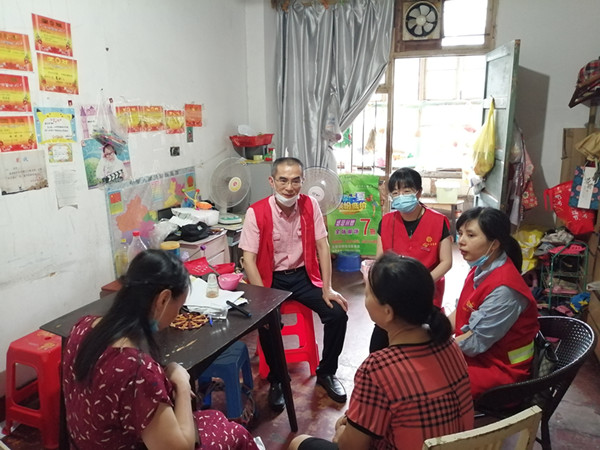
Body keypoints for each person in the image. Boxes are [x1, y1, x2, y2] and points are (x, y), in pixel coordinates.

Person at [62, 249, 259, 450]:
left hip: (86, 443)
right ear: (163, 299)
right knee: (235, 433)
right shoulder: (137, 371)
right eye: (179, 307)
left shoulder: (82, 327)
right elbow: (181, 448)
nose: (176, 315)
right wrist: (182, 384)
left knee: (215, 417)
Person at [288, 253, 474, 450]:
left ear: (388, 312)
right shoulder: (449, 344)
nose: (365, 299)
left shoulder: (377, 368)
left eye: (368, 294)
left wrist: (342, 433)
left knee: (298, 443)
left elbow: (351, 447)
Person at [239, 157, 349, 411]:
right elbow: (249, 260)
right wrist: (263, 298)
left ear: (303, 181)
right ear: (272, 181)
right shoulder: (256, 212)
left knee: (337, 313)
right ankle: (278, 379)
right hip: (271, 279)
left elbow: (323, 246)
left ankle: (326, 372)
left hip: (304, 275)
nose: (289, 187)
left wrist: (328, 287)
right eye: (283, 180)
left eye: (296, 181)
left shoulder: (310, 205)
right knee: (269, 321)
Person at [450, 207, 540, 399]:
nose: (461, 241)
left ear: (494, 243)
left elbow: (474, 343)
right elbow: (461, 311)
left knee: (427, 383)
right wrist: (432, 331)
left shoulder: (504, 289)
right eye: (460, 233)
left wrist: (432, 348)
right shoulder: (479, 269)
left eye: (471, 235)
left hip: (500, 371)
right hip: (478, 356)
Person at [369, 167, 453, 352]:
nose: (400, 196)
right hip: (394, 294)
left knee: (422, 346)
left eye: (406, 191)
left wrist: (422, 283)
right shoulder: (386, 221)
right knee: (378, 345)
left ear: (418, 192)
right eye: (395, 193)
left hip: (427, 293)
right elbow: (381, 260)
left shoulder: (438, 221)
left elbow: (446, 262)